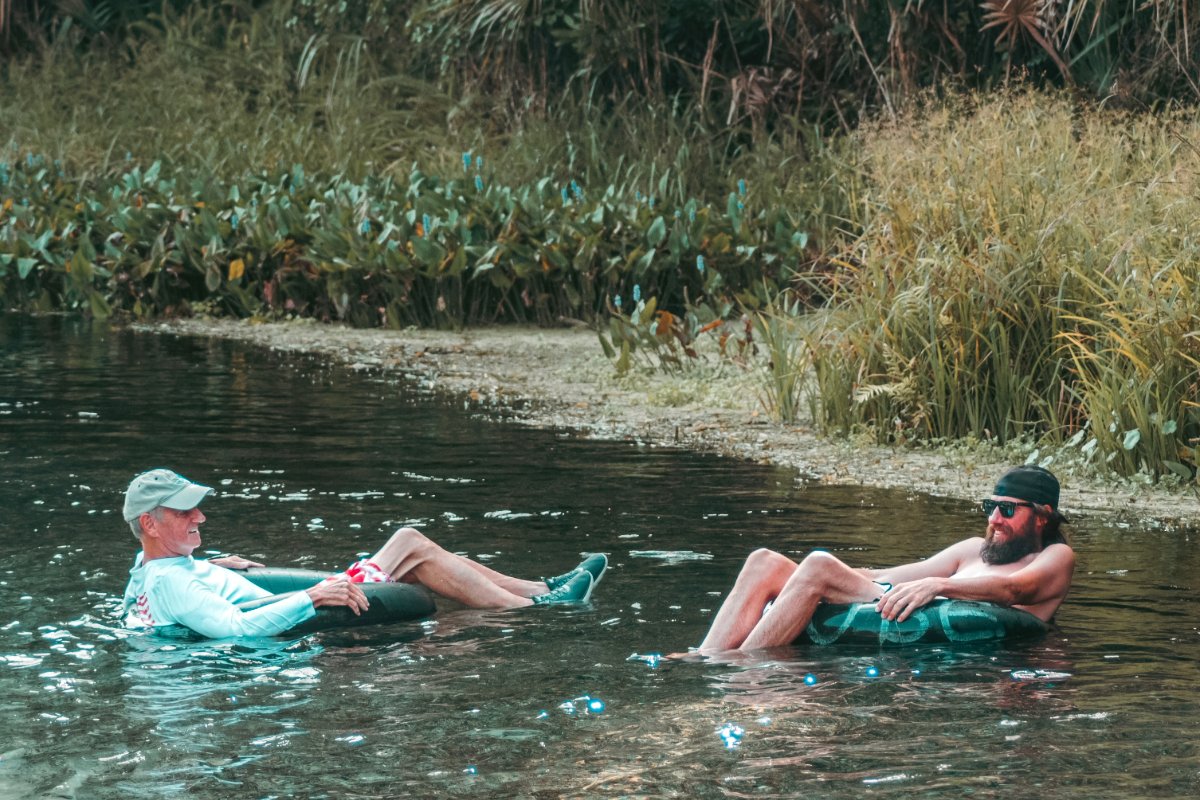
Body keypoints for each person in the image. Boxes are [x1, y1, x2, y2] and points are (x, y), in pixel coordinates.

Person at [121, 468, 608, 639]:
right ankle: (536, 607)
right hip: (301, 619)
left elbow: (161, 587)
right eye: (185, 512)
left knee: (413, 546)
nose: (199, 517)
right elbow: (238, 628)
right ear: (149, 523)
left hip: (261, 598)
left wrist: (214, 562)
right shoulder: (175, 583)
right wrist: (315, 596)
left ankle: (545, 590)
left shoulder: (153, 567)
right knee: (412, 545)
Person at [692, 465, 1075, 654]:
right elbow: (884, 575)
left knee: (819, 565)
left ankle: (740, 667)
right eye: (990, 507)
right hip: (900, 599)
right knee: (765, 562)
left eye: (1007, 510)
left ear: (1042, 515)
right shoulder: (973, 548)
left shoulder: (1055, 556)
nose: (993, 519)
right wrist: (801, 581)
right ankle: (705, 659)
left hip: (935, 611)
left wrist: (940, 585)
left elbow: (1013, 590)